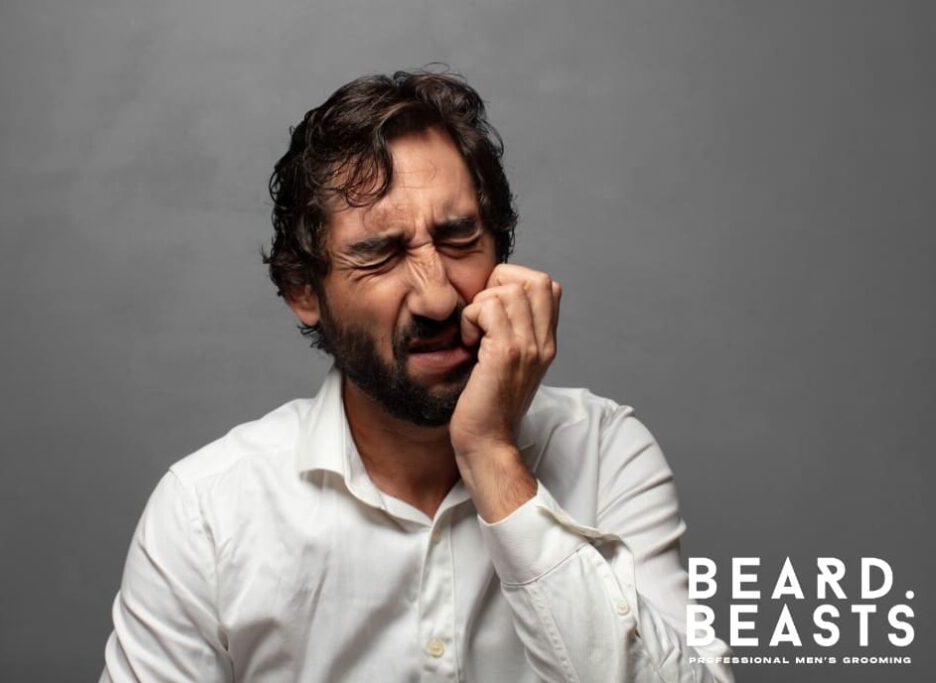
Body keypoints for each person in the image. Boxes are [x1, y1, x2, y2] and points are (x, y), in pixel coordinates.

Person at [99, 69, 734, 682]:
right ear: (303, 290)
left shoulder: (605, 451)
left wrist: (491, 456)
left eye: (459, 239)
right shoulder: (207, 514)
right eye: (380, 253)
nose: (437, 299)